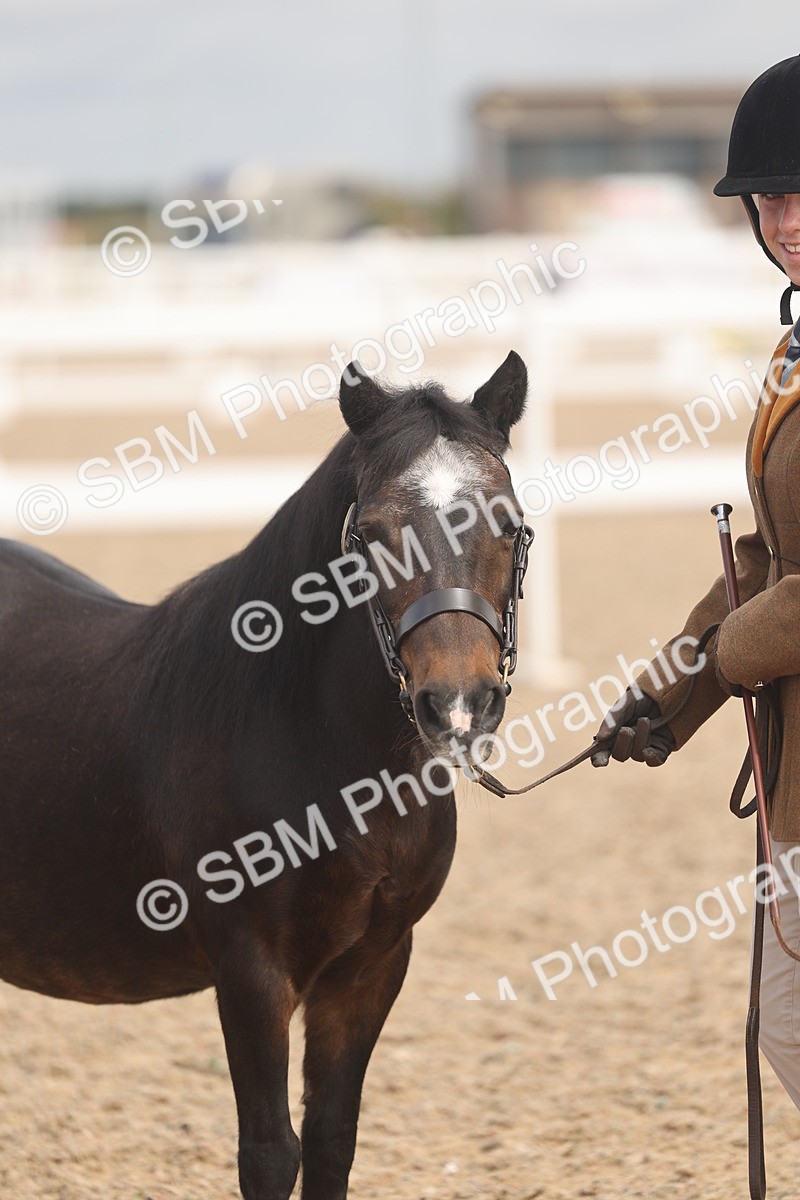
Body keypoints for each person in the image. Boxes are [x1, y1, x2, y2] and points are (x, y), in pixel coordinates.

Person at [592, 53, 800, 1110]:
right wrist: (668, 697)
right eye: (770, 197)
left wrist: (720, 660)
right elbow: (762, 562)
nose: (788, 218)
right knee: (783, 1018)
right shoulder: (791, 350)